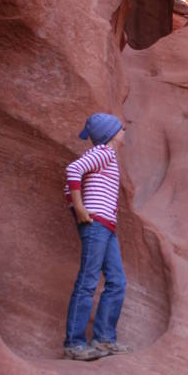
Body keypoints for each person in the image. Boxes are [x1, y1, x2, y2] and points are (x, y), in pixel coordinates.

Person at [63, 113, 131, 361]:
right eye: (121, 128)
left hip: (106, 226)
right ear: (111, 134)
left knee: (117, 281)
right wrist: (79, 210)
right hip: (97, 225)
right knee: (88, 281)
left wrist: (75, 205)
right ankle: (74, 343)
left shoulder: (108, 158)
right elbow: (73, 170)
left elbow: (70, 184)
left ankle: (103, 339)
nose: (125, 131)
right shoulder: (103, 152)